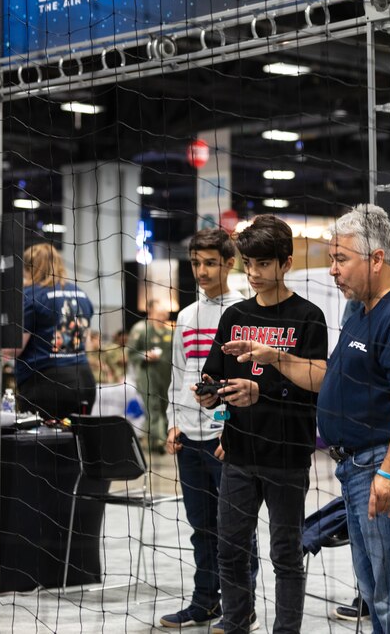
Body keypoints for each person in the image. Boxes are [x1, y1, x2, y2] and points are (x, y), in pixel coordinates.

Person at [223, 204, 390, 634]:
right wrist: (276, 358)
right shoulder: (359, 309)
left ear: (376, 259)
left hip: (383, 464)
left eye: (341, 260)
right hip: (355, 465)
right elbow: (327, 378)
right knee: (374, 590)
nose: (333, 271)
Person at [197, 214, 328, 634]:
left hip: (287, 456)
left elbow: (316, 384)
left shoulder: (308, 317)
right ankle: (236, 622)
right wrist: (209, 393)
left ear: (285, 263)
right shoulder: (234, 315)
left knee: (285, 553)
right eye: (248, 264)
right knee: (231, 549)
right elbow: (214, 374)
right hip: (238, 452)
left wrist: (263, 392)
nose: (253, 273)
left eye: (263, 265)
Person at [160, 228, 258, 630]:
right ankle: (206, 602)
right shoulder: (185, 316)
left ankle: (242, 608)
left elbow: (249, 380)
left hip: (226, 440)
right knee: (201, 529)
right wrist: (173, 422)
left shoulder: (245, 312)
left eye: (210, 263)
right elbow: (178, 374)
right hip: (189, 439)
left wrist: (230, 431)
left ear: (229, 262)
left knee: (237, 530)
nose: (201, 271)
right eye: (195, 263)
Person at [14, 243, 96, 420]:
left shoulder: (31, 295)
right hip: (84, 380)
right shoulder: (80, 293)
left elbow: (14, 348)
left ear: (29, 268)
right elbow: (86, 343)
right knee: (76, 443)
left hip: (47, 385)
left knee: (44, 445)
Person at [127, 299, 173, 454]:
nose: (163, 316)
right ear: (151, 312)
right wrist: (143, 355)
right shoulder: (140, 329)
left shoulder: (169, 332)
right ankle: (159, 441)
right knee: (152, 407)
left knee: (165, 407)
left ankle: (158, 438)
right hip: (147, 375)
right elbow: (131, 353)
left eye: (164, 313)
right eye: (159, 313)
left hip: (166, 376)